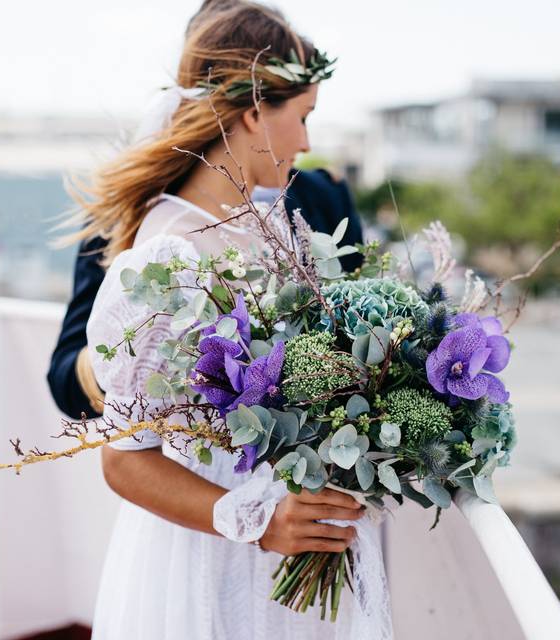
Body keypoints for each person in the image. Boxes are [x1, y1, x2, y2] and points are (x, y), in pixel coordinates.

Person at [62, 3, 386, 638]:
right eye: (304, 116)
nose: (308, 143)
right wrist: (260, 521)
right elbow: (124, 461)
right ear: (254, 112)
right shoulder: (167, 259)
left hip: (291, 552)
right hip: (210, 558)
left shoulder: (278, 230)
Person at [46, 0, 363, 421]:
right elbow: (69, 381)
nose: (305, 141)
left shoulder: (325, 197)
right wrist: (145, 340)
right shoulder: (134, 218)